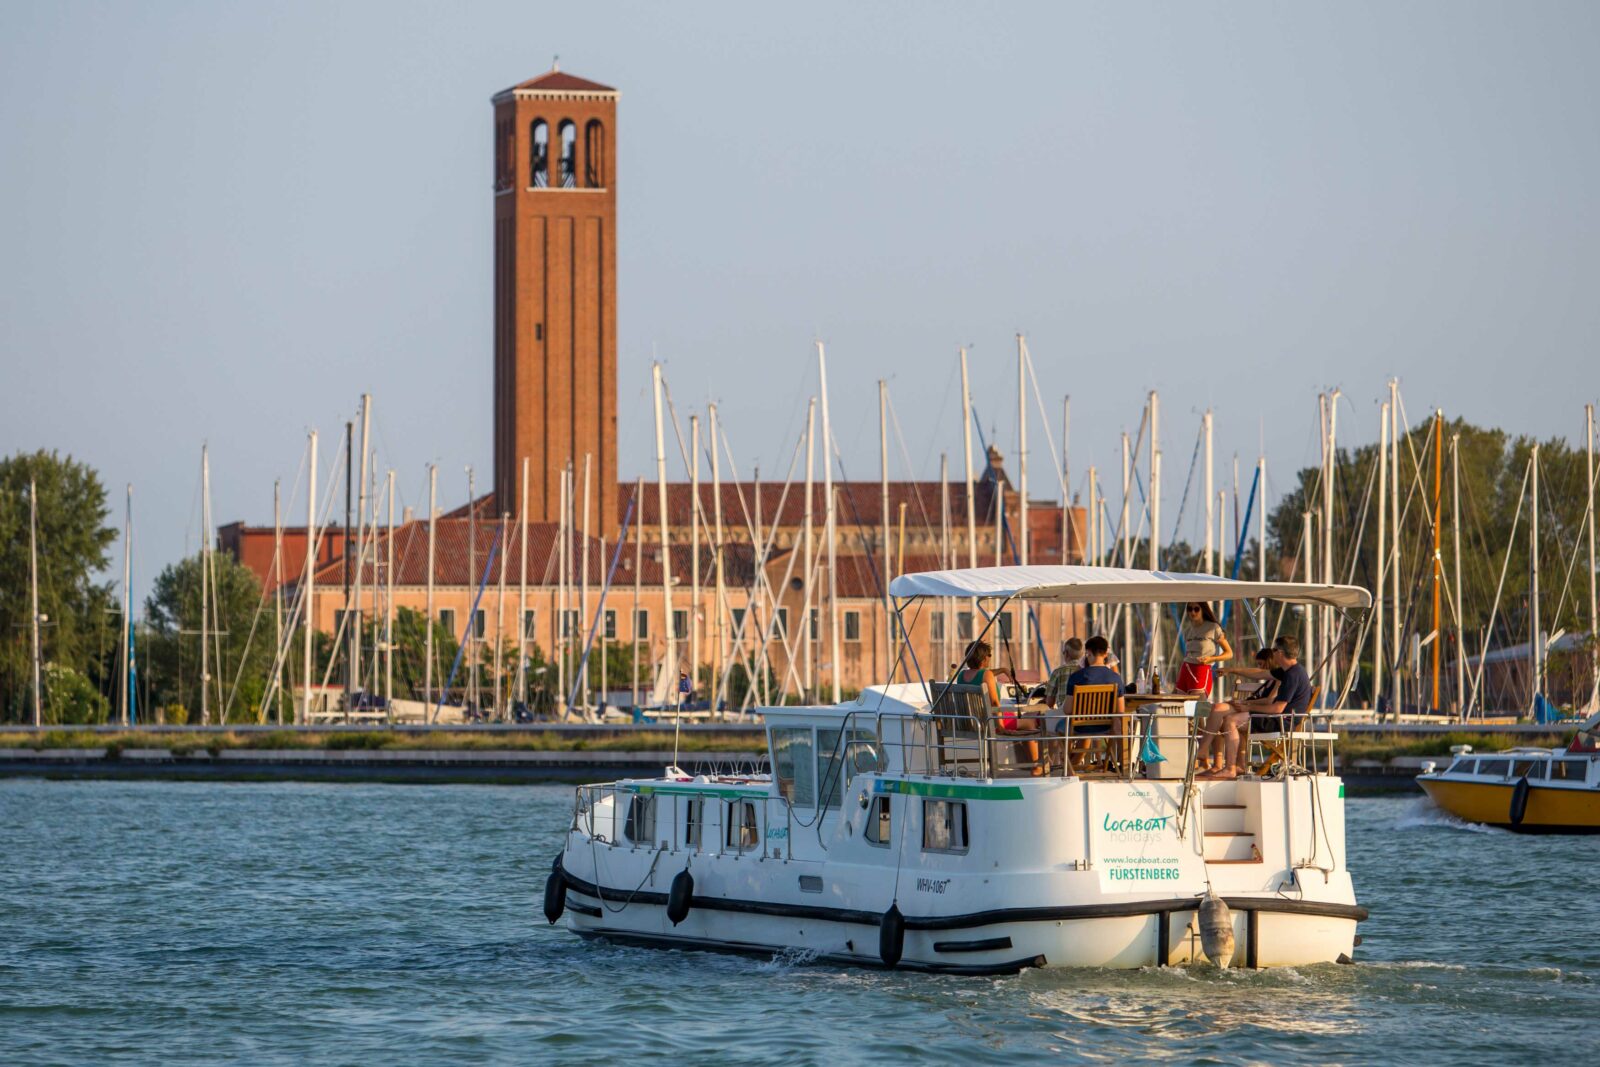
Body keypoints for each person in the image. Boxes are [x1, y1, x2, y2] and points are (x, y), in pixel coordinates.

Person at [1199, 635, 1312, 780]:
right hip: (1276, 717)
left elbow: (1277, 708)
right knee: (1224, 715)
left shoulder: (1292, 675)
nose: (1272, 652)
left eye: (1274, 650)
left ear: (1281, 653)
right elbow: (1260, 673)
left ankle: (1230, 768)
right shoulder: (1289, 671)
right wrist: (1232, 670)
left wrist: (1248, 707)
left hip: (1281, 721)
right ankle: (1226, 762)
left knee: (1231, 721)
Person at [957, 640, 1044, 775]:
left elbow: (981, 674)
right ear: (984, 658)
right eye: (989, 655)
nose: (990, 658)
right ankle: (1036, 767)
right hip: (989, 723)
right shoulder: (987, 675)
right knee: (1030, 720)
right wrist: (1001, 727)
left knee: (1021, 718)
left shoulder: (962, 675)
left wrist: (1003, 670)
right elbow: (995, 704)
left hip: (972, 721)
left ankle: (1032, 765)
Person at [1196, 647, 1277, 774]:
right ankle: (1216, 763)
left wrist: (1245, 703)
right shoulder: (1270, 679)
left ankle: (1204, 751)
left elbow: (1269, 701)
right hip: (1247, 707)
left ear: (1271, 661)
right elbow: (1255, 675)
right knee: (1215, 710)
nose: (1260, 668)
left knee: (1219, 712)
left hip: (1255, 711)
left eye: (1261, 664)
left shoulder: (1279, 678)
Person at [1055, 635, 1128, 772]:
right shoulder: (1116, 678)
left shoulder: (1077, 677)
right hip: (1106, 727)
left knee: (1059, 727)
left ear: (1087, 652)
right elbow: (1120, 710)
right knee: (1122, 724)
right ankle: (1122, 766)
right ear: (1106, 653)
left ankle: (1068, 765)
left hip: (1080, 727)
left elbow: (1067, 710)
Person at [1177, 603, 1232, 695]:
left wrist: (1211, 659)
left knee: (1197, 706)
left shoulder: (1213, 628)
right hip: (1185, 669)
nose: (1193, 612)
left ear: (1203, 610)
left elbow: (1229, 653)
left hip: (1201, 670)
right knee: (1179, 706)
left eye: (1196, 609)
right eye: (1190, 609)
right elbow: (1188, 654)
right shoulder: (1187, 630)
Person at [1044, 638, 1085, 710]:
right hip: (1083, 716)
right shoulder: (1087, 671)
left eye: (1063, 652)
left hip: (1064, 716)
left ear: (1067, 654)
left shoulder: (1058, 672)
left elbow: (1049, 703)